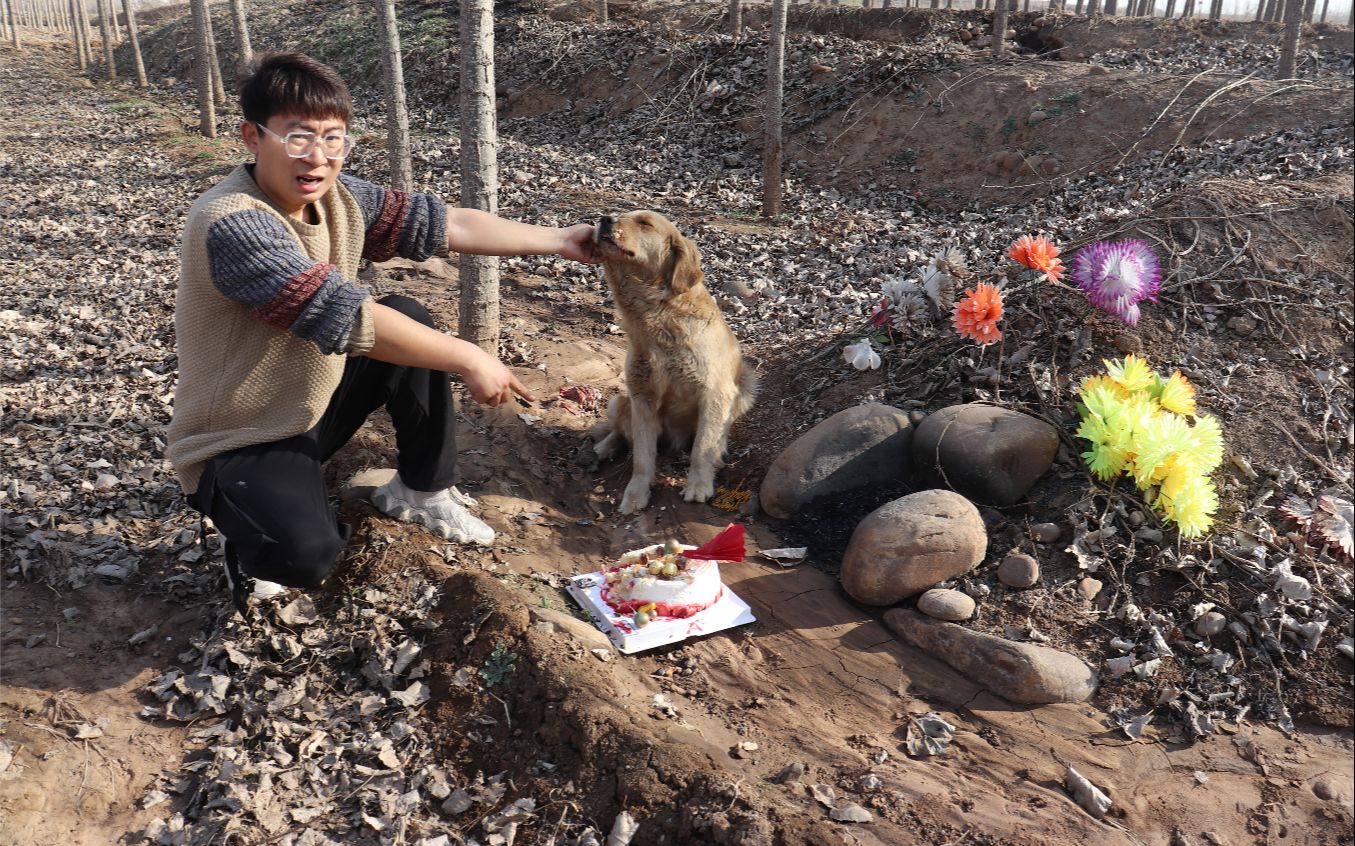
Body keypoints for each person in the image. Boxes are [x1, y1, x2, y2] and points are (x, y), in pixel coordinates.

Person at [166, 52, 599, 614]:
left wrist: (559, 239)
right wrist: (467, 355)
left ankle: (419, 490)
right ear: (253, 135)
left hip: (308, 406)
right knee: (305, 558)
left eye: (333, 139)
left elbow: (446, 223)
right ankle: (245, 541)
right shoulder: (234, 221)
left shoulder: (338, 199)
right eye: (298, 138)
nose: (318, 158)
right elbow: (345, 317)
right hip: (237, 437)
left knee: (409, 318)